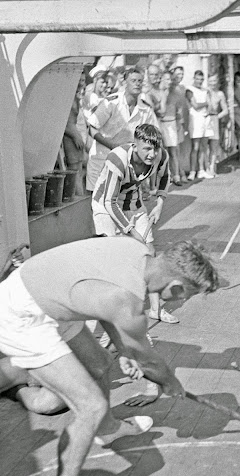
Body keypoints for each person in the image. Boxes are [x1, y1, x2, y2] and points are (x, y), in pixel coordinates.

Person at [0, 236, 219, 476]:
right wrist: (170, 383)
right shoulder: (129, 303)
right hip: (21, 317)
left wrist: (125, 351)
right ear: (176, 288)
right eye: (188, 293)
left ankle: (107, 430)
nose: (182, 299)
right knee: (91, 406)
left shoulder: (135, 250)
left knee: (99, 365)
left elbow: (107, 308)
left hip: (39, 295)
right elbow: (147, 359)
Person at [91, 123, 178, 325]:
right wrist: (131, 232)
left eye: (155, 148)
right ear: (135, 145)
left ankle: (156, 310)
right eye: (147, 148)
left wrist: (160, 204)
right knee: (114, 259)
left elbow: (165, 177)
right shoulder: (117, 158)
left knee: (149, 253)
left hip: (133, 202)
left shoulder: (160, 155)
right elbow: (109, 202)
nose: (152, 153)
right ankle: (112, 316)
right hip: (105, 205)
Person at [85, 66, 159, 192]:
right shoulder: (111, 103)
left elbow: (151, 137)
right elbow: (92, 128)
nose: (137, 84)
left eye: (140, 81)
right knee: (95, 197)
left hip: (126, 162)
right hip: (102, 157)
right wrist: (112, 145)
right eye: (133, 81)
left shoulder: (145, 109)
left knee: (120, 200)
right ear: (125, 83)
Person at [62, 72, 87, 196]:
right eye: (78, 80)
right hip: (70, 138)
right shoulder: (67, 96)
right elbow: (61, 122)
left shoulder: (75, 96)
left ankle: (80, 200)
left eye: (82, 80)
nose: (80, 83)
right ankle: (79, 200)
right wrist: (74, 135)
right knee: (74, 174)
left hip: (75, 137)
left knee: (79, 172)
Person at [187, 69, 212, 180]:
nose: (199, 81)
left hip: (205, 118)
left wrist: (208, 104)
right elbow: (195, 105)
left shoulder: (205, 90)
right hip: (195, 119)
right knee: (195, 147)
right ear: (194, 78)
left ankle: (201, 170)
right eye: (197, 79)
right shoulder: (189, 90)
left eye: (201, 79)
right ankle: (192, 171)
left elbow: (211, 107)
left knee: (203, 146)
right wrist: (206, 103)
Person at [206, 73, 229, 178]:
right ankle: (205, 168)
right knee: (203, 145)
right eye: (210, 81)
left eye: (214, 81)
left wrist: (216, 117)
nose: (212, 83)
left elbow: (225, 110)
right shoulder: (205, 92)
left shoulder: (220, 94)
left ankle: (212, 168)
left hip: (214, 119)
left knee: (214, 145)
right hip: (204, 119)